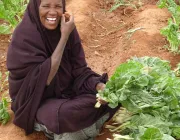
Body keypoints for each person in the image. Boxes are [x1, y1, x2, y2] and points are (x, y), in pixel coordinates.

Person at [6, 0, 119, 139]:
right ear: (36, 8)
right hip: (36, 101)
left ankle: (79, 128)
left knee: (113, 92)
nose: (53, 12)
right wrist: (64, 37)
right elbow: (45, 79)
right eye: (46, 6)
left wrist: (100, 87)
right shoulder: (24, 37)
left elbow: (80, 71)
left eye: (58, 6)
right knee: (64, 114)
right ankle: (84, 125)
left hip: (68, 93)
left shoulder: (66, 26)